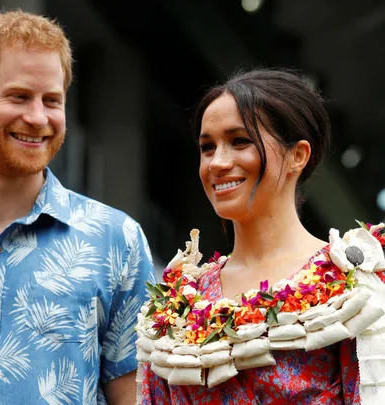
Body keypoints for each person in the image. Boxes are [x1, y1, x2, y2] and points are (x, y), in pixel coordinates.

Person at [0, 10, 155, 405]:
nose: (38, 118)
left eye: (52, 100)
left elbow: (135, 397)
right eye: (19, 96)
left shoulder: (117, 241)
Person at [138, 68, 385, 404]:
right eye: (207, 147)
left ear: (298, 155)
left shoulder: (351, 285)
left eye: (240, 141)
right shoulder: (177, 301)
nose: (218, 162)